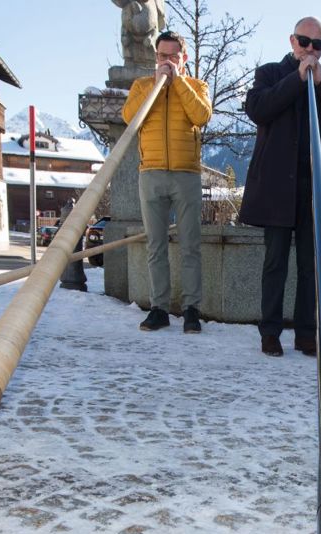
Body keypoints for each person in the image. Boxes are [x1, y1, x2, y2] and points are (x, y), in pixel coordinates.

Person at [239, 17, 321, 357]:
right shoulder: (270, 74)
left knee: (312, 264)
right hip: (278, 186)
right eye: (305, 42)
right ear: (292, 41)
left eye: (317, 45)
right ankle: (270, 332)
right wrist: (297, 79)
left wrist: (320, 84)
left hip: (316, 188)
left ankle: (307, 333)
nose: (310, 49)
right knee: (275, 261)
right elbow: (259, 108)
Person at [122, 29, 213, 333]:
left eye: (174, 56)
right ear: (156, 56)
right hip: (151, 173)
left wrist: (179, 82)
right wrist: (158, 88)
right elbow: (130, 118)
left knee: (190, 245)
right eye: (163, 56)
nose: (167, 61)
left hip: (186, 174)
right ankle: (158, 308)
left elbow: (201, 116)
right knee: (155, 246)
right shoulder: (142, 86)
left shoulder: (197, 86)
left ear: (183, 58)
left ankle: (191, 310)